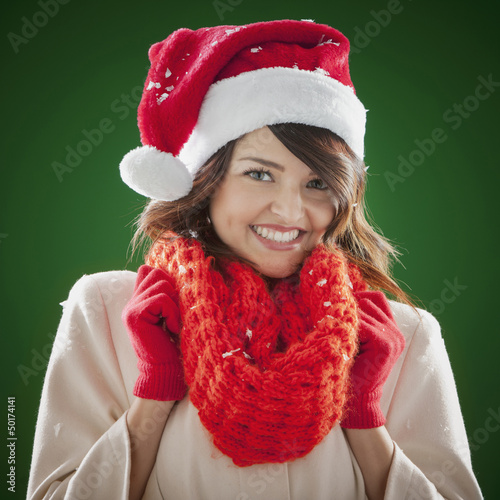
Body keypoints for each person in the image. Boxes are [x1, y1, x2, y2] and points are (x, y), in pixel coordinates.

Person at [27, 19, 483, 500]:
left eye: (318, 183)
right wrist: (153, 396)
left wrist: (365, 419)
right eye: (260, 174)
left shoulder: (402, 336)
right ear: (207, 180)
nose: (290, 211)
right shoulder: (108, 310)